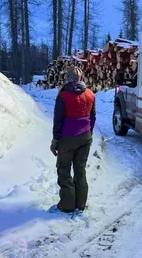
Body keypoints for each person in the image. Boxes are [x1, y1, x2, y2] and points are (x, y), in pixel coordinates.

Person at [50, 66, 96, 213]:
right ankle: (81, 204)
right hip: (85, 137)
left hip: (68, 139)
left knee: (64, 170)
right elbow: (93, 117)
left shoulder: (63, 96)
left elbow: (58, 121)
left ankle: (67, 205)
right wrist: (89, 133)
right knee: (80, 170)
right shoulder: (90, 94)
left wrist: (55, 141)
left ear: (67, 78)